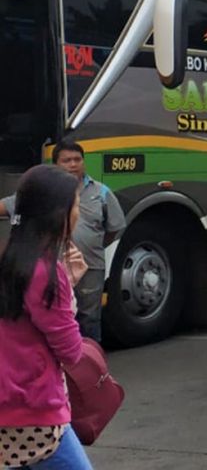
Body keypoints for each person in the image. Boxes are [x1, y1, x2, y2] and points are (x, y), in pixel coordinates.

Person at [0, 164, 93, 470]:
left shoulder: (8, 262)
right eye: (76, 205)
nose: (79, 212)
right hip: (34, 413)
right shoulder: (47, 273)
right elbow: (70, 351)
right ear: (58, 214)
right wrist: (68, 290)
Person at [54, 140, 125, 342]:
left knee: (89, 318)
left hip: (90, 267)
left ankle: (91, 365)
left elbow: (115, 227)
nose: (73, 164)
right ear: (56, 164)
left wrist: (95, 245)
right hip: (55, 267)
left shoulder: (101, 192)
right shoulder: (46, 192)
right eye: (66, 160)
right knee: (60, 316)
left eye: (77, 159)